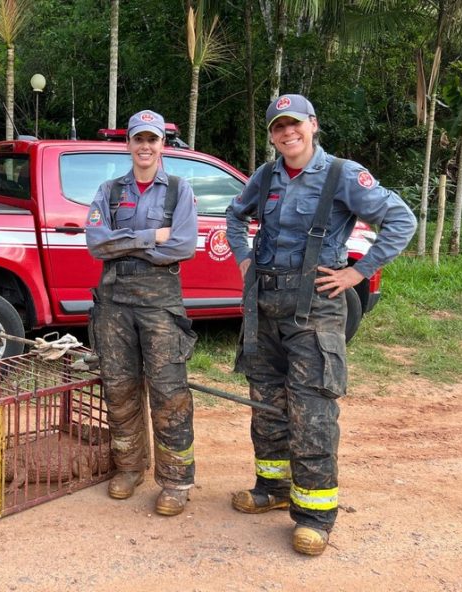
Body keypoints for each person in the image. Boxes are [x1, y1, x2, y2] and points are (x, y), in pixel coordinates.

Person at [225, 94, 416, 555]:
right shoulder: (266, 175)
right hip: (265, 302)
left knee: (311, 409)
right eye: (278, 127)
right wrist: (245, 259)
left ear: (312, 125)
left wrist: (357, 272)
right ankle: (272, 489)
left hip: (316, 307)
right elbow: (235, 216)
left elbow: (400, 220)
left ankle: (315, 516)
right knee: (266, 399)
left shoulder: (342, 174)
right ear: (272, 135)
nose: (287, 134)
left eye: (294, 125)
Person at [85, 109, 199, 516]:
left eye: (153, 139)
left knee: (170, 393)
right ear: (128, 144)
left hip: (160, 304)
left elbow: (184, 245)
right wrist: (151, 237)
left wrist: (125, 242)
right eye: (139, 139)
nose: (145, 146)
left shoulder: (178, 191)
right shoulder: (110, 191)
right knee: (119, 389)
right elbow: (97, 244)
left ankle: (175, 481)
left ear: (162, 144)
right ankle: (129, 468)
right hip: (114, 303)